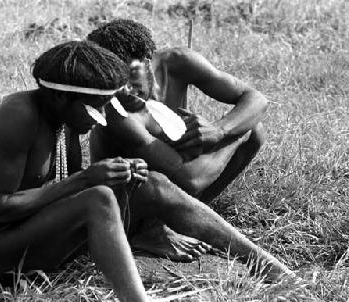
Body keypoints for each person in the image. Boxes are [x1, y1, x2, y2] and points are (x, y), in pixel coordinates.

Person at [0, 40, 293, 302]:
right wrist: (88, 180)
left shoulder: (65, 117)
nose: (101, 118)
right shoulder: (18, 114)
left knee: (150, 182)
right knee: (99, 197)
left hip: (38, 246)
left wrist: (120, 176)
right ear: (61, 97)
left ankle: (274, 270)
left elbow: (63, 195)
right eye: (96, 108)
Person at [87, 19, 268, 261]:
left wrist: (221, 130)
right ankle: (146, 231)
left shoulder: (179, 62)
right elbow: (192, 179)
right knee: (246, 130)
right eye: (114, 80)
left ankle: (187, 215)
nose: (125, 89)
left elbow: (256, 99)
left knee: (255, 131)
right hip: (130, 197)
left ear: (148, 59)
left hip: (173, 165)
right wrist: (234, 136)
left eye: (131, 74)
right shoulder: (118, 111)